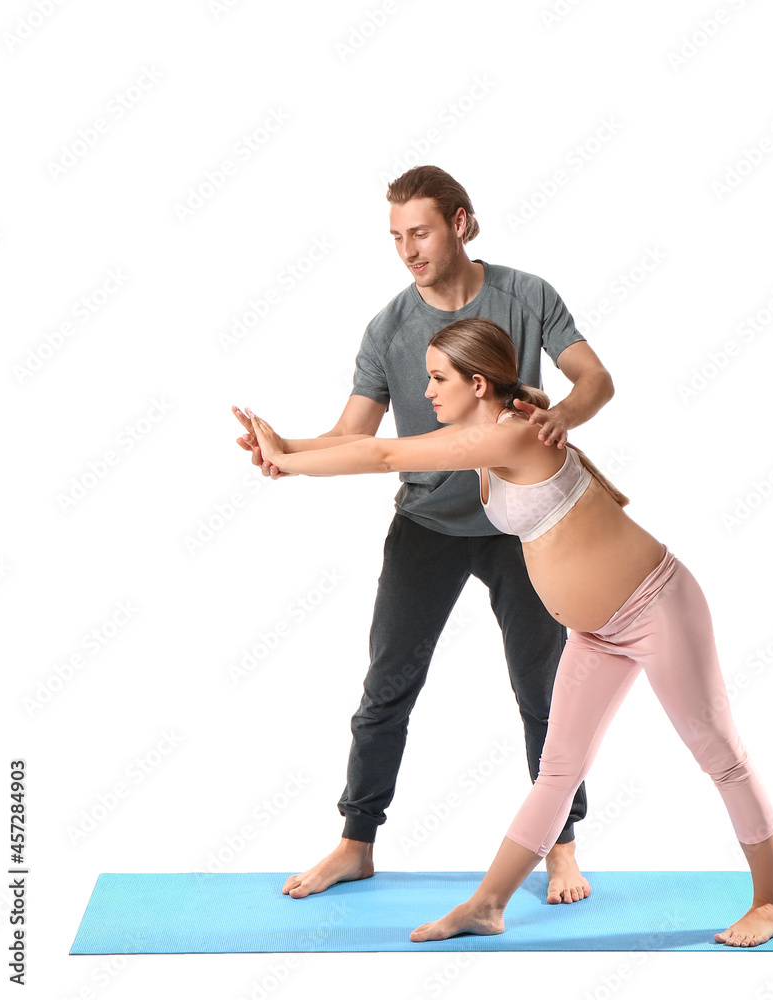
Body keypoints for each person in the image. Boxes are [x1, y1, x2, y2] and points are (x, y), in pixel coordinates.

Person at [242, 317, 773, 948]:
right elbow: (368, 444)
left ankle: (772, 903)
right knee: (558, 771)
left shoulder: (514, 437)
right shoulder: (494, 432)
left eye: (437, 378)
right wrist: (284, 445)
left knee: (719, 754)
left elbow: (385, 452)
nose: (426, 392)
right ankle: (487, 905)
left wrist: (288, 462)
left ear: (478, 384)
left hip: (657, 607)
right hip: (598, 633)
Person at [233, 165, 615, 905]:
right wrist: (286, 450)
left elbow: (596, 379)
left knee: (544, 691)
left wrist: (562, 417)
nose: (408, 249)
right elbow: (357, 437)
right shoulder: (389, 328)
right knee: (387, 688)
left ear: (461, 223)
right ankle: (356, 844)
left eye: (421, 232)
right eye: (396, 237)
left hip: (523, 523)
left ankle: (560, 848)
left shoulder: (527, 295)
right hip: (428, 525)